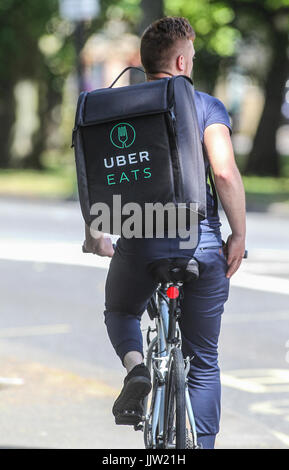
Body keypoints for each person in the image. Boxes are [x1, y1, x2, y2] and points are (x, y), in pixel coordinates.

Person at [84, 16, 246, 449]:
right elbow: (225, 173)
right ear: (180, 60)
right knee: (204, 362)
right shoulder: (206, 105)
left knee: (120, 312)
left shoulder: (115, 108)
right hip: (201, 242)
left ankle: (136, 366)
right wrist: (239, 236)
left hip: (140, 239)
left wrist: (95, 233)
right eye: (191, 57)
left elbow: (101, 175)